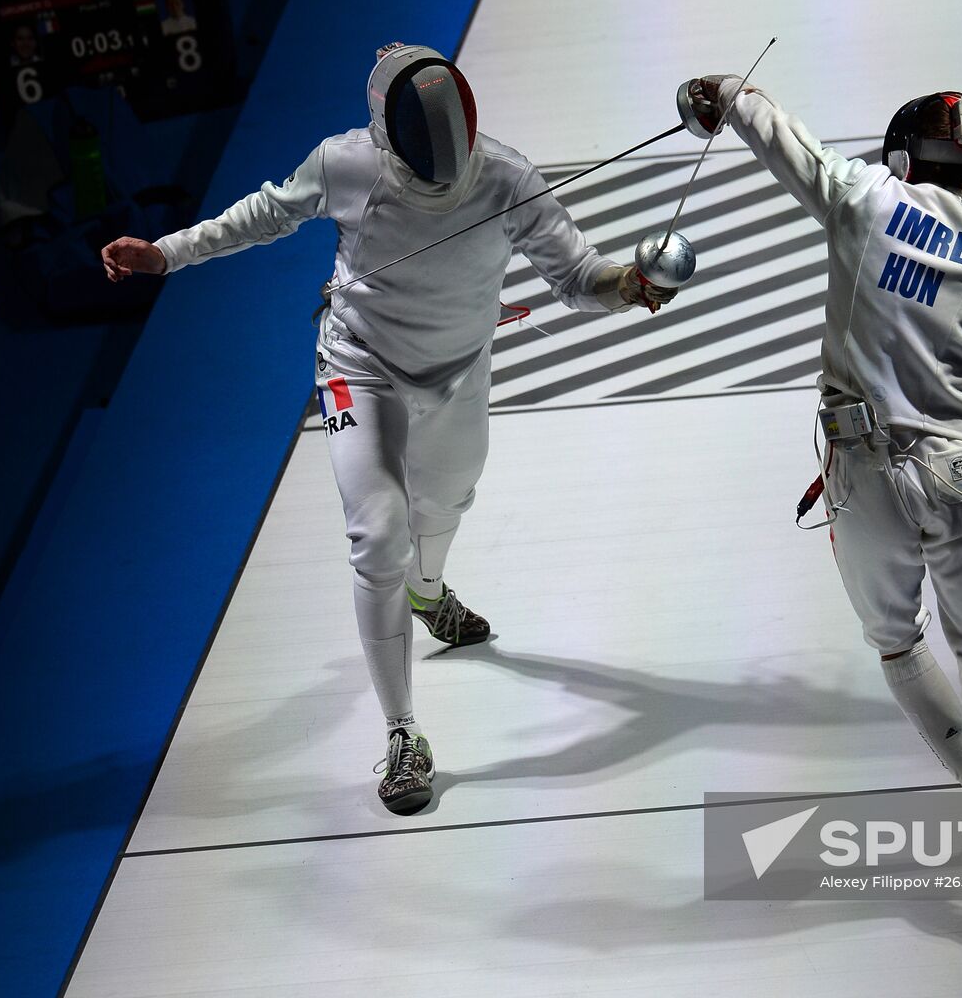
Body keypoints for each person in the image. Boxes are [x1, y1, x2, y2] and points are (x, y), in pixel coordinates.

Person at [102, 43, 675, 816]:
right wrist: (166, 253)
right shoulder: (346, 165)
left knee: (447, 503)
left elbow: (576, 277)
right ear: (389, 139)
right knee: (379, 535)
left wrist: (625, 285)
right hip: (359, 368)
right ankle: (404, 734)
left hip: (459, 370)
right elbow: (265, 214)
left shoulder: (507, 176)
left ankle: (428, 594)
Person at [679, 78, 962, 944]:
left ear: (905, 156)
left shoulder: (866, 196)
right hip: (959, 473)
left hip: (858, 474)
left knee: (898, 645)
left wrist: (720, 92)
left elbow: (776, 133)